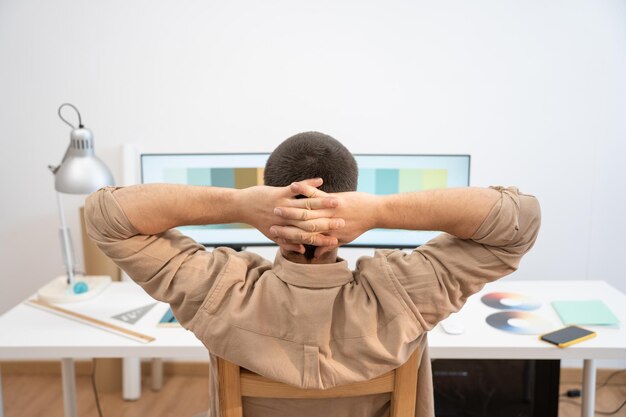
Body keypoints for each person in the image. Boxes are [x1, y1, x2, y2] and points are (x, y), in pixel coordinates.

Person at [85, 132, 541, 417]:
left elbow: (106, 216)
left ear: (271, 199)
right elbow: (519, 220)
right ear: (352, 199)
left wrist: (239, 203)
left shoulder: (218, 290)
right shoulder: (406, 291)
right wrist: (381, 210)